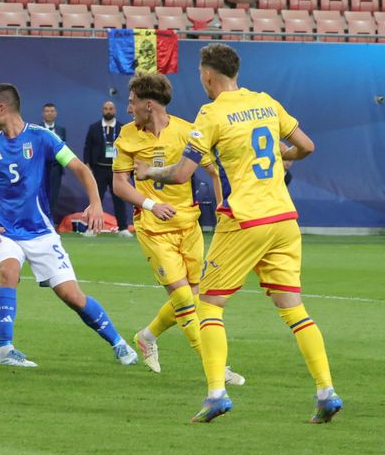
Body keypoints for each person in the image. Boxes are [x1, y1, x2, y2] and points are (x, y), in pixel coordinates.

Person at [135, 43, 340, 424]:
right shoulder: (266, 102)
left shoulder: (211, 114)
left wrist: (150, 174)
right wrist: (283, 155)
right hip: (284, 218)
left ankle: (216, 393)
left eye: (200, 74)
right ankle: (326, 391)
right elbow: (307, 146)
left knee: (209, 305)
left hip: (245, 219)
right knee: (294, 309)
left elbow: (180, 174)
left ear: (209, 75)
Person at [0, 83, 138, 368]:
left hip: (40, 232)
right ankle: (6, 349)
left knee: (72, 296)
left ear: (2, 107)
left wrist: (96, 203)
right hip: (6, 229)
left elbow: (79, 167)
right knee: (8, 272)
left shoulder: (43, 138)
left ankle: (119, 343)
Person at [112, 73, 246, 387]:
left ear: (148, 105)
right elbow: (119, 184)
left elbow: (214, 172)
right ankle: (217, 368)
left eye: (132, 103)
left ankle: (147, 336)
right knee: (185, 299)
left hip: (189, 225)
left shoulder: (187, 131)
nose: (128, 108)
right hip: (153, 229)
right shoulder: (127, 136)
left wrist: (223, 208)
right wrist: (149, 205)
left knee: (195, 298)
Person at [82, 100, 131, 234]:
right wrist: (87, 165)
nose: (108, 111)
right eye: (105, 109)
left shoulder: (122, 128)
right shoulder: (94, 128)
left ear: (114, 110)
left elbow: (128, 148)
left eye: (110, 109)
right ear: (102, 111)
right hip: (99, 169)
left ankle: (123, 228)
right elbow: (87, 147)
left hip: (117, 169)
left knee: (120, 199)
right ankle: (91, 229)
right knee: (95, 198)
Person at [40, 103, 67, 220]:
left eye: (52, 111)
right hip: (41, 169)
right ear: (43, 113)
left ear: (56, 113)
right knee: (41, 196)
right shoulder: (38, 129)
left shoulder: (61, 130)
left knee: (53, 197)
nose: (49, 113)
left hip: (56, 168)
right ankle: (40, 222)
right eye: (47, 111)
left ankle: (50, 223)